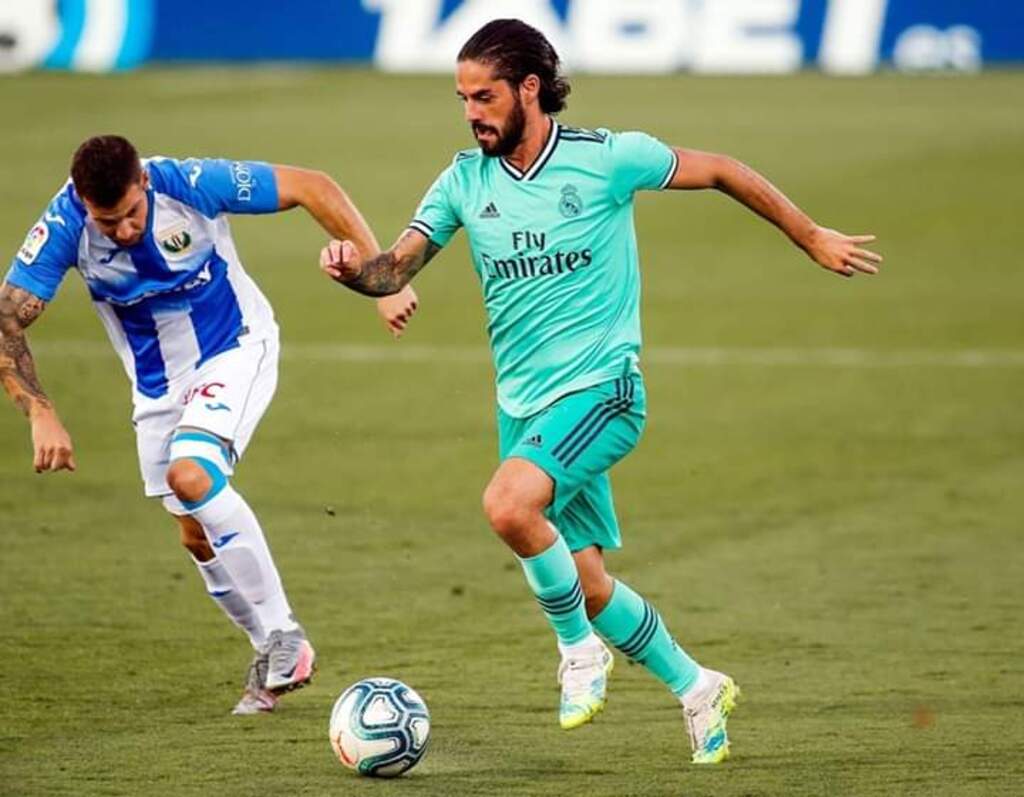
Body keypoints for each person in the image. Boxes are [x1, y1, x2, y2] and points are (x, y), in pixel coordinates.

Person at [320, 19, 881, 764]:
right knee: (585, 584)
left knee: (508, 506)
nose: (471, 113)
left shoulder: (606, 159)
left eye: (484, 97)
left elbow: (720, 169)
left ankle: (578, 652)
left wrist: (809, 235)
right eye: (462, 99)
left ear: (528, 88)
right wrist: (352, 271)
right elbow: (394, 269)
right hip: (525, 407)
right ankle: (698, 686)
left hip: (604, 391)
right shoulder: (463, 181)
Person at [1, 135, 418, 714]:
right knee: (195, 535)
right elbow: (6, 318)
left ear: (144, 183)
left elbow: (312, 186)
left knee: (192, 474)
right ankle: (268, 650)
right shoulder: (66, 224)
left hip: (235, 347)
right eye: (107, 221)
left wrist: (381, 278)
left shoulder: (190, 184)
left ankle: (286, 635)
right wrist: (41, 412)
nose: (123, 230)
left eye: (131, 214)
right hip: (156, 387)